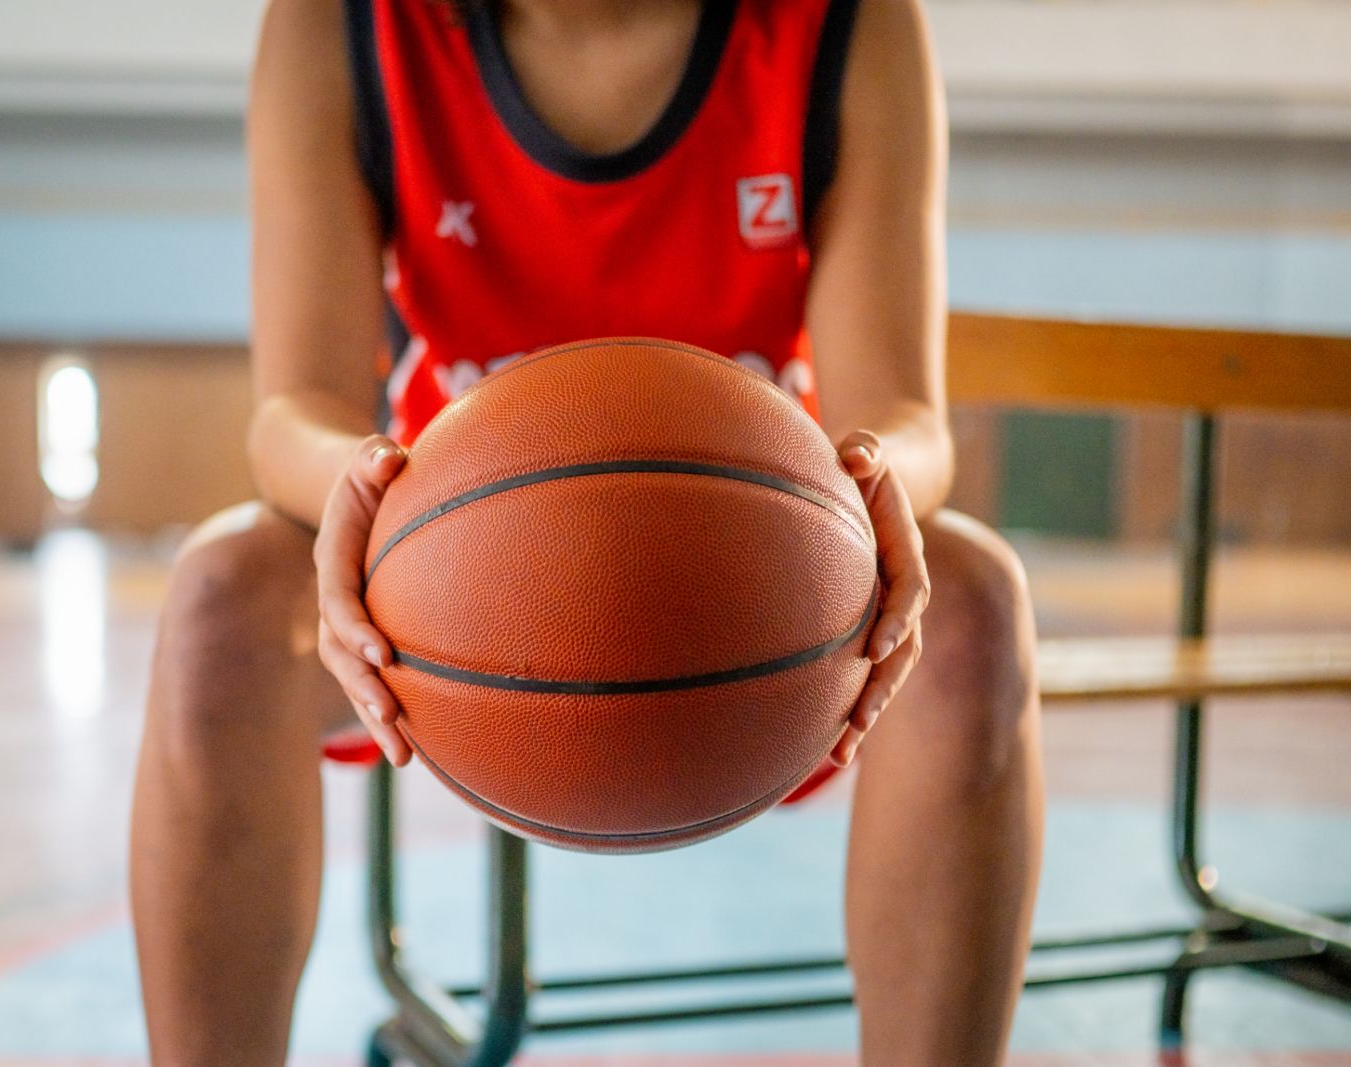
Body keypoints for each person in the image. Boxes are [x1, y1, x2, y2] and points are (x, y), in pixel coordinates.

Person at [129, 0, 1044, 1062]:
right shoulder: (339, 24)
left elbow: (906, 413)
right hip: (456, 585)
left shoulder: (846, 21)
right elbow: (293, 407)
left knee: (974, 599)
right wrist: (360, 484)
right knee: (218, 604)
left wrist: (869, 481)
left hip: (747, 577)